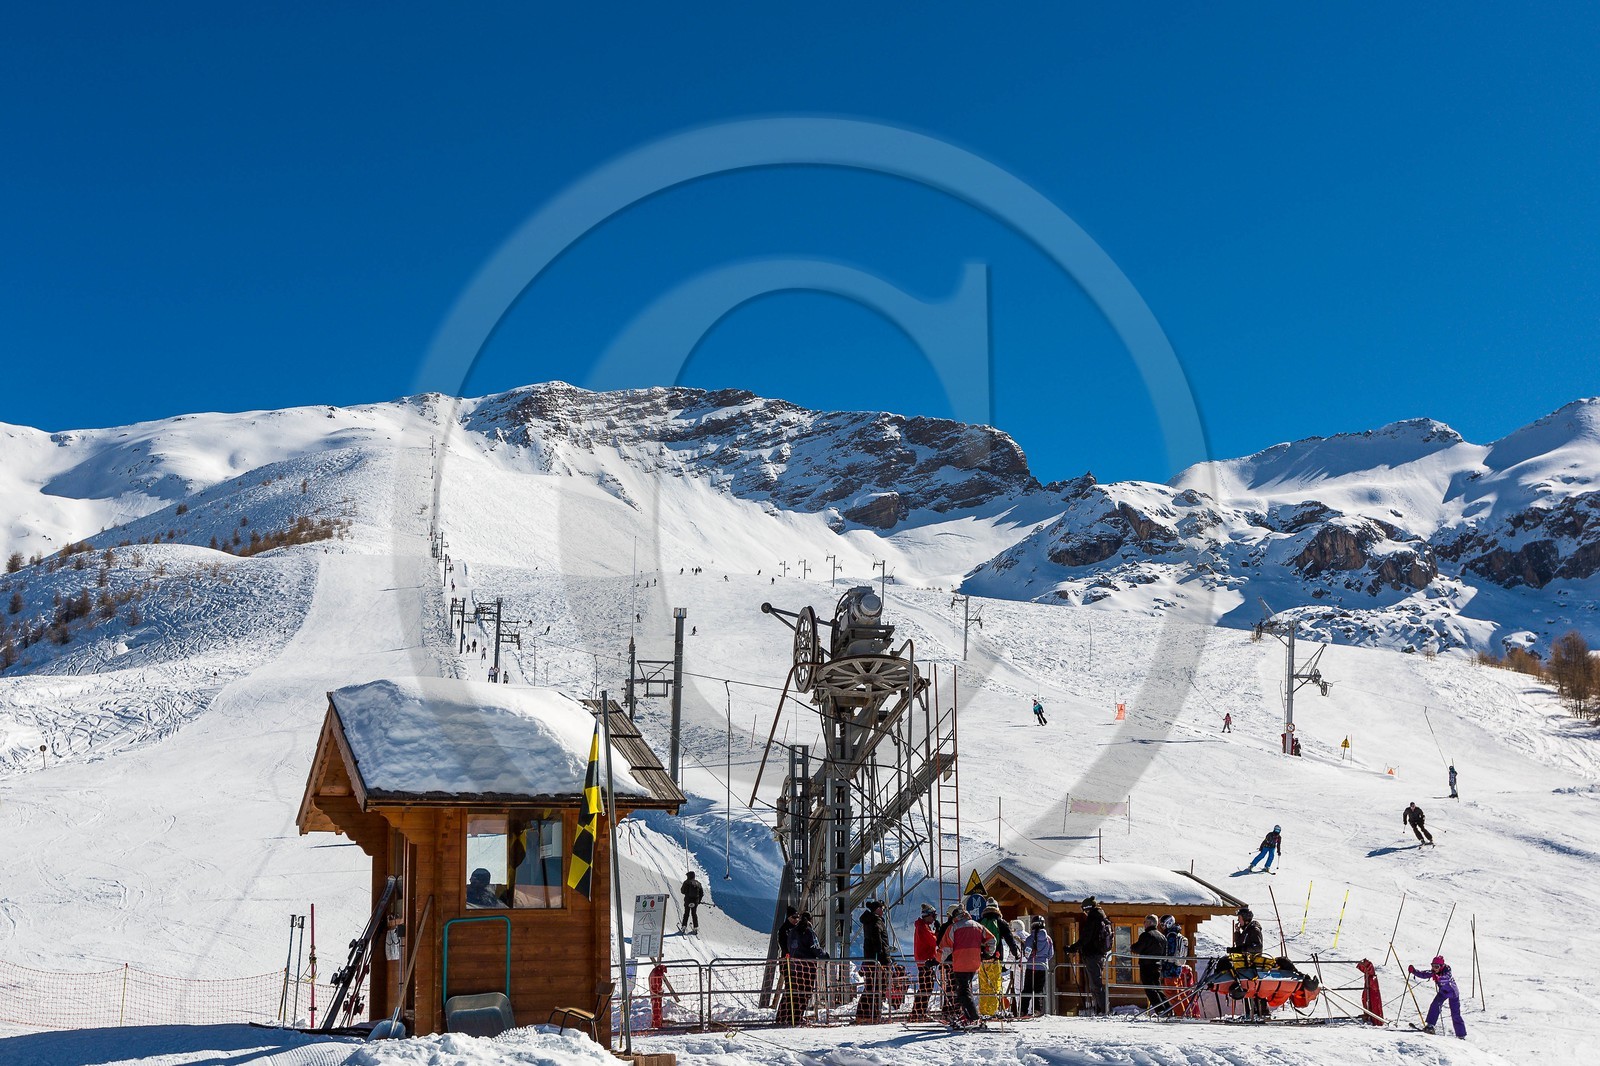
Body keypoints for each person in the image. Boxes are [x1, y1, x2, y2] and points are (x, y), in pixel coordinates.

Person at [938, 903, 995, 1027]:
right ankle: (967, 1014)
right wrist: (987, 954)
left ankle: (973, 1017)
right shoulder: (978, 926)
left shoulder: (954, 927)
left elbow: (946, 948)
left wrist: (936, 960)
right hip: (974, 962)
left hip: (960, 962)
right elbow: (992, 940)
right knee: (965, 989)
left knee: (963, 991)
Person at [776, 911, 827, 1025]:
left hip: (794, 968)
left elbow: (788, 947)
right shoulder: (809, 932)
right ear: (810, 920)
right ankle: (797, 1017)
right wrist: (824, 955)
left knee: (792, 994)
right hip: (807, 968)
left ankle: (787, 1017)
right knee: (804, 994)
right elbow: (815, 947)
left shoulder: (792, 932)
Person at [1065, 896, 1112, 1016]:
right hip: (1100, 954)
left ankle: (1104, 1009)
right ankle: (1101, 1008)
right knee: (1096, 983)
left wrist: (1072, 948)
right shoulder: (1102, 918)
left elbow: (1085, 938)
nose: (1085, 914)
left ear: (1087, 909)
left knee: (1095, 984)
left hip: (1092, 955)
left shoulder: (1093, 919)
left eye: (1084, 911)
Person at [978, 898, 1019, 1017]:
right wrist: (1015, 953)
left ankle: (984, 1011)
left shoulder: (980, 922)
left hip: (982, 960)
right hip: (996, 958)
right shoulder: (1000, 922)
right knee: (995, 985)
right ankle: (993, 1011)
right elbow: (1010, 939)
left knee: (984, 985)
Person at [1408, 955, 1466, 1038]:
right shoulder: (1434, 972)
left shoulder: (1446, 971)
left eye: (1436, 966)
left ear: (1442, 966)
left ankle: (1461, 1035)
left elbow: (1447, 978)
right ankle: (1430, 1026)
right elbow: (1424, 974)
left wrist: (1439, 977)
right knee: (1435, 1005)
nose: (1434, 968)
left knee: (1455, 1014)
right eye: (1433, 966)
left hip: (1453, 993)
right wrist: (1414, 971)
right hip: (1443, 992)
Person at [1231, 906, 1269, 1019]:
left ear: (1245, 919)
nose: (1238, 921)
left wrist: (1244, 950)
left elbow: (1257, 947)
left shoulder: (1254, 930)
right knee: (1246, 989)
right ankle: (1249, 1013)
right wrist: (1237, 932)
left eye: (1240, 918)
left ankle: (1262, 1013)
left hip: (1253, 965)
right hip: (1245, 965)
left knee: (1256, 990)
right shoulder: (1246, 931)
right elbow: (1239, 944)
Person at [855, 899, 891, 1022]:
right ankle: (874, 1014)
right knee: (878, 987)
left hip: (871, 959)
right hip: (878, 960)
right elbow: (878, 942)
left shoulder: (869, 921)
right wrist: (882, 957)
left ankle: (863, 1014)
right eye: (882, 909)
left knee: (870, 987)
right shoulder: (876, 922)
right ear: (878, 909)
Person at [1132, 914, 1169, 1014]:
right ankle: (1168, 1008)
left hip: (1146, 965)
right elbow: (1165, 954)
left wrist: (1132, 947)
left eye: (1144, 922)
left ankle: (1160, 1010)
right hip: (1158, 965)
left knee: (1150, 989)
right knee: (1157, 987)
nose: (1144, 924)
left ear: (1149, 923)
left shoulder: (1146, 935)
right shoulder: (1162, 937)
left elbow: (1137, 948)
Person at [1019, 917, 1054, 1018]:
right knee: (1039, 989)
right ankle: (1037, 1010)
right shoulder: (1048, 939)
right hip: (1042, 967)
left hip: (1031, 966)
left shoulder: (1030, 938)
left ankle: (1023, 1010)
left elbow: (1027, 953)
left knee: (1027, 988)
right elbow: (1050, 954)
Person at [910, 903, 940, 1021]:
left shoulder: (922, 926)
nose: (934, 919)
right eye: (933, 916)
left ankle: (919, 1011)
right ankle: (918, 1012)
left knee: (926, 987)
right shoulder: (923, 927)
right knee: (926, 987)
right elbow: (933, 941)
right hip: (925, 961)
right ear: (927, 915)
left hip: (924, 960)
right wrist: (938, 932)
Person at [1159, 915, 1191, 1017]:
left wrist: (1163, 961)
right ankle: (1187, 1013)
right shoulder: (1176, 934)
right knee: (1178, 993)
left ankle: (1180, 1015)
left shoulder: (1171, 936)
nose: (1162, 927)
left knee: (1172, 993)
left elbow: (1170, 954)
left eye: (1163, 924)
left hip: (1170, 970)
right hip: (1176, 968)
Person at [648, 956, 678, 1029]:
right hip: (656, 994)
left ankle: (657, 1022)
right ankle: (657, 1023)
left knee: (657, 1008)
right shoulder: (657, 974)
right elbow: (656, 986)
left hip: (655, 993)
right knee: (656, 1009)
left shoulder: (655, 972)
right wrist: (660, 992)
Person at [1356, 958, 1384, 1025]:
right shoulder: (1370, 976)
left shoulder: (1371, 977)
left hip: (1373, 992)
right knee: (1365, 998)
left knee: (1369, 1000)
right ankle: (1368, 1013)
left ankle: (1373, 1016)